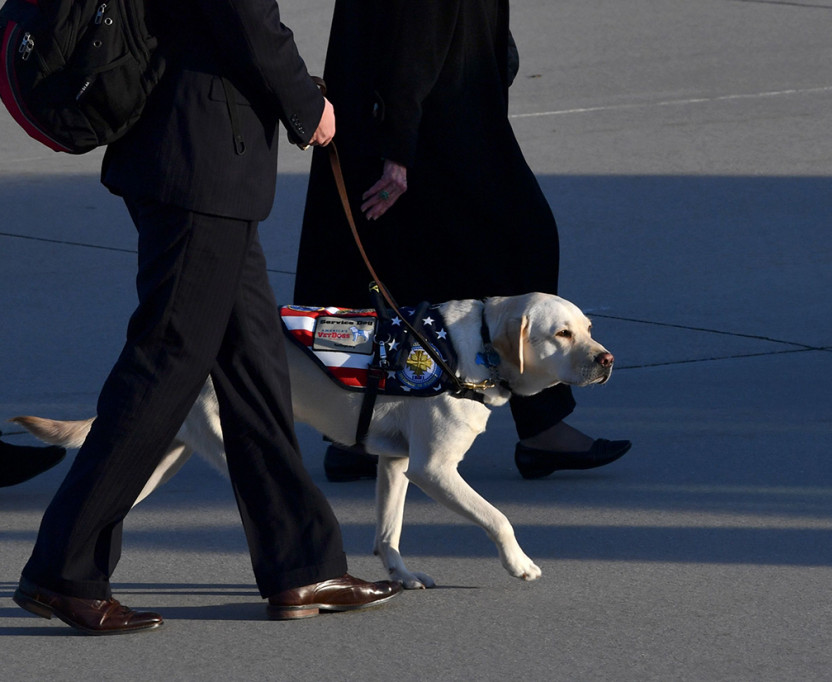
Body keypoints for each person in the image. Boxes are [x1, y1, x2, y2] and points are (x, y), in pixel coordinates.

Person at [12, 0, 401, 635]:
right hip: (201, 162)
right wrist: (308, 106)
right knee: (166, 361)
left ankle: (302, 564)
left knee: (254, 369)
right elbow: (246, 17)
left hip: (184, 153)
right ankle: (64, 569)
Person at [294, 0, 630, 482]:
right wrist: (398, 145)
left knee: (401, 263)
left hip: (428, 109)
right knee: (518, 240)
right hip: (427, 119)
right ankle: (537, 426)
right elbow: (415, 29)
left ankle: (360, 433)